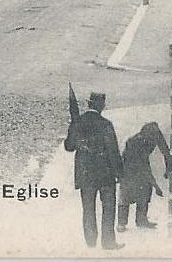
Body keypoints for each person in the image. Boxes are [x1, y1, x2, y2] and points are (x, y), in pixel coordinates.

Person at [64, 92, 123, 250]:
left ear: (89, 104)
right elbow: (113, 151)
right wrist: (120, 173)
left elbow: (69, 147)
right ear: (101, 105)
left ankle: (90, 242)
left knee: (88, 208)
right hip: (105, 174)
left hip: (85, 174)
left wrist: (73, 126)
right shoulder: (106, 124)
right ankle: (108, 242)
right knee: (108, 208)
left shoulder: (79, 122)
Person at [117, 122, 172, 232]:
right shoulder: (135, 142)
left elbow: (166, 152)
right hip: (128, 167)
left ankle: (141, 220)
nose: (154, 140)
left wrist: (168, 169)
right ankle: (121, 223)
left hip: (140, 166)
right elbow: (144, 167)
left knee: (146, 189)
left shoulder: (155, 135)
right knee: (126, 194)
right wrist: (156, 186)